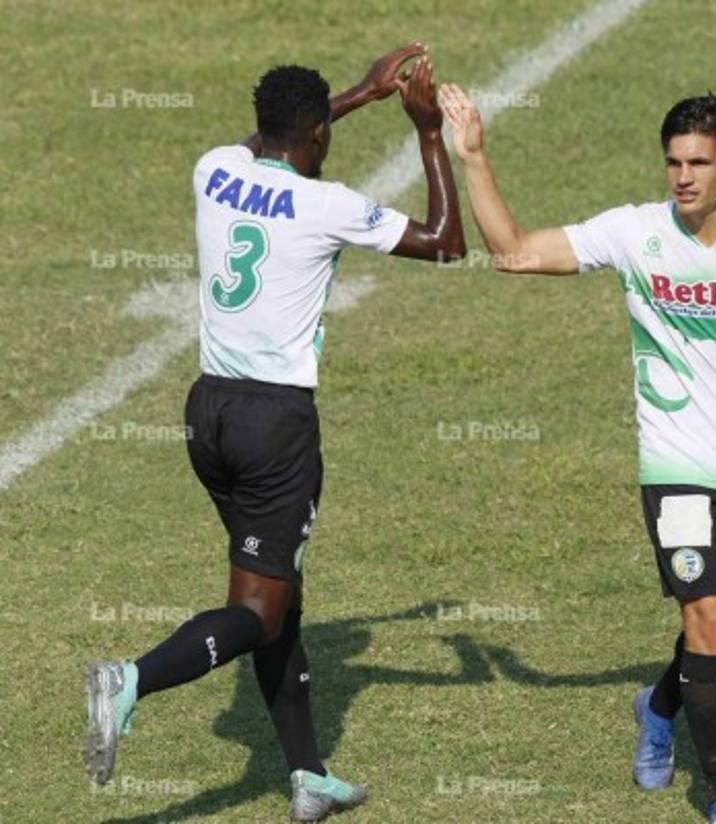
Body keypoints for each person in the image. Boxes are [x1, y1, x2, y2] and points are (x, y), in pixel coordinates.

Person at [438, 84, 716, 823]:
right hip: (675, 468)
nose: (683, 177)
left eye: (699, 162)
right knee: (703, 622)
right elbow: (512, 254)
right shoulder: (636, 233)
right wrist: (472, 158)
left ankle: (658, 705)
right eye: (673, 162)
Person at [83, 45, 465, 822]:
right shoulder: (328, 207)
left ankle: (308, 776)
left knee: (277, 596)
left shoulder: (213, 167)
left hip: (208, 413)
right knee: (257, 612)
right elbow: (446, 241)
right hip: (275, 428)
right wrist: (427, 130)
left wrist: (355, 93)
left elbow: (268, 142)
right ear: (319, 134)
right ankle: (130, 680)